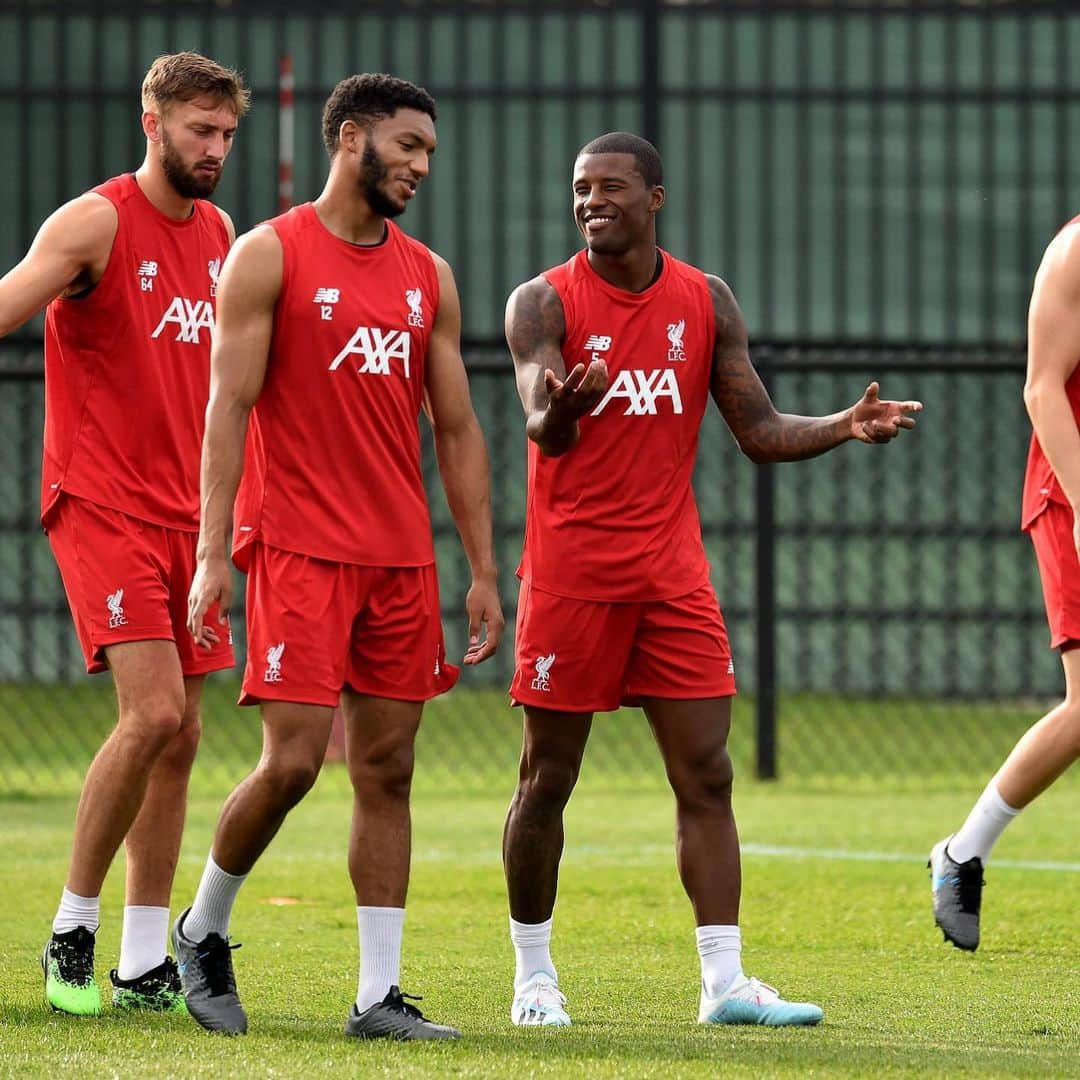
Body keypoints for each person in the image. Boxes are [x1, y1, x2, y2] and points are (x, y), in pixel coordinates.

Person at [502, 131, 922, 1028]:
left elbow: (759, 431)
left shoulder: (705, 300)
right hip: (572, 580)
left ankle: (724, 984)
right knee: (547, 778)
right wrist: (564, 407)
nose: (591, 202)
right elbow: (541, 420)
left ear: (656, 198)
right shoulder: (542, 301)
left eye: (611, 188)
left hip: (673, 581)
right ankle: (534, 980)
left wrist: (847, 424)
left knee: (710, 776)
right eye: (580, 190)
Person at [174, 73, 503, 1040]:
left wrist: (483, 571)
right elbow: (225, 410)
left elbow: (457, 427)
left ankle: (377, 998)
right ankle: (203, 927)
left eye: (430, 153)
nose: (420, 167)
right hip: (295, 550)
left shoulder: (427, 275)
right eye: (407, 146)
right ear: (351, 137)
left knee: (389, 770)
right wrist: (211, 553)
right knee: (292, 766)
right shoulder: (267, 254)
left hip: (399, 562)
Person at [0, 52, 248, 1016]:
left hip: (192, 521)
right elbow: (14, 300)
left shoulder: (224, 233)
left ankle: (146, 962)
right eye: (199, 130)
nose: (215, 149)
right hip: (100, 501)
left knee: (181, 737)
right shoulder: (95, 219)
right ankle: (73, 927)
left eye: (226, 133)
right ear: (151, 120)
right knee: (151, 717)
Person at [930, 217, 1080, 951]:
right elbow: (1042, 387)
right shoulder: (1076, 250)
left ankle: (963, 852)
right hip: (1071, 492)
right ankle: (962, 854)